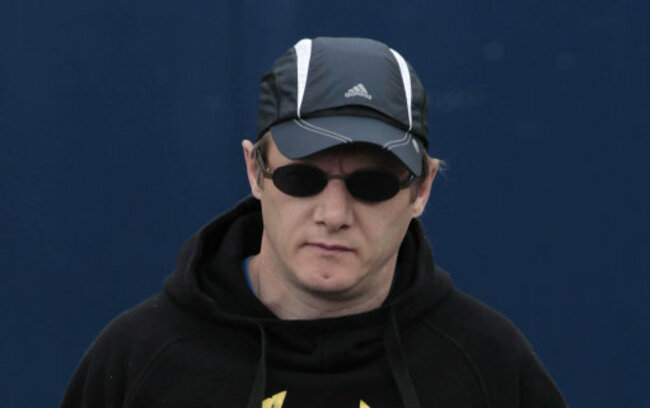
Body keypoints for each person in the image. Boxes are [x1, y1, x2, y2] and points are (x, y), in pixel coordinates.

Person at [61, 37, 567, 408]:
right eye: (302, 179)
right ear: (255, 172)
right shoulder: (139, 361)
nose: (333, 215)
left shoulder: (487, 365)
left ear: (422, 189)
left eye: (373, 185)